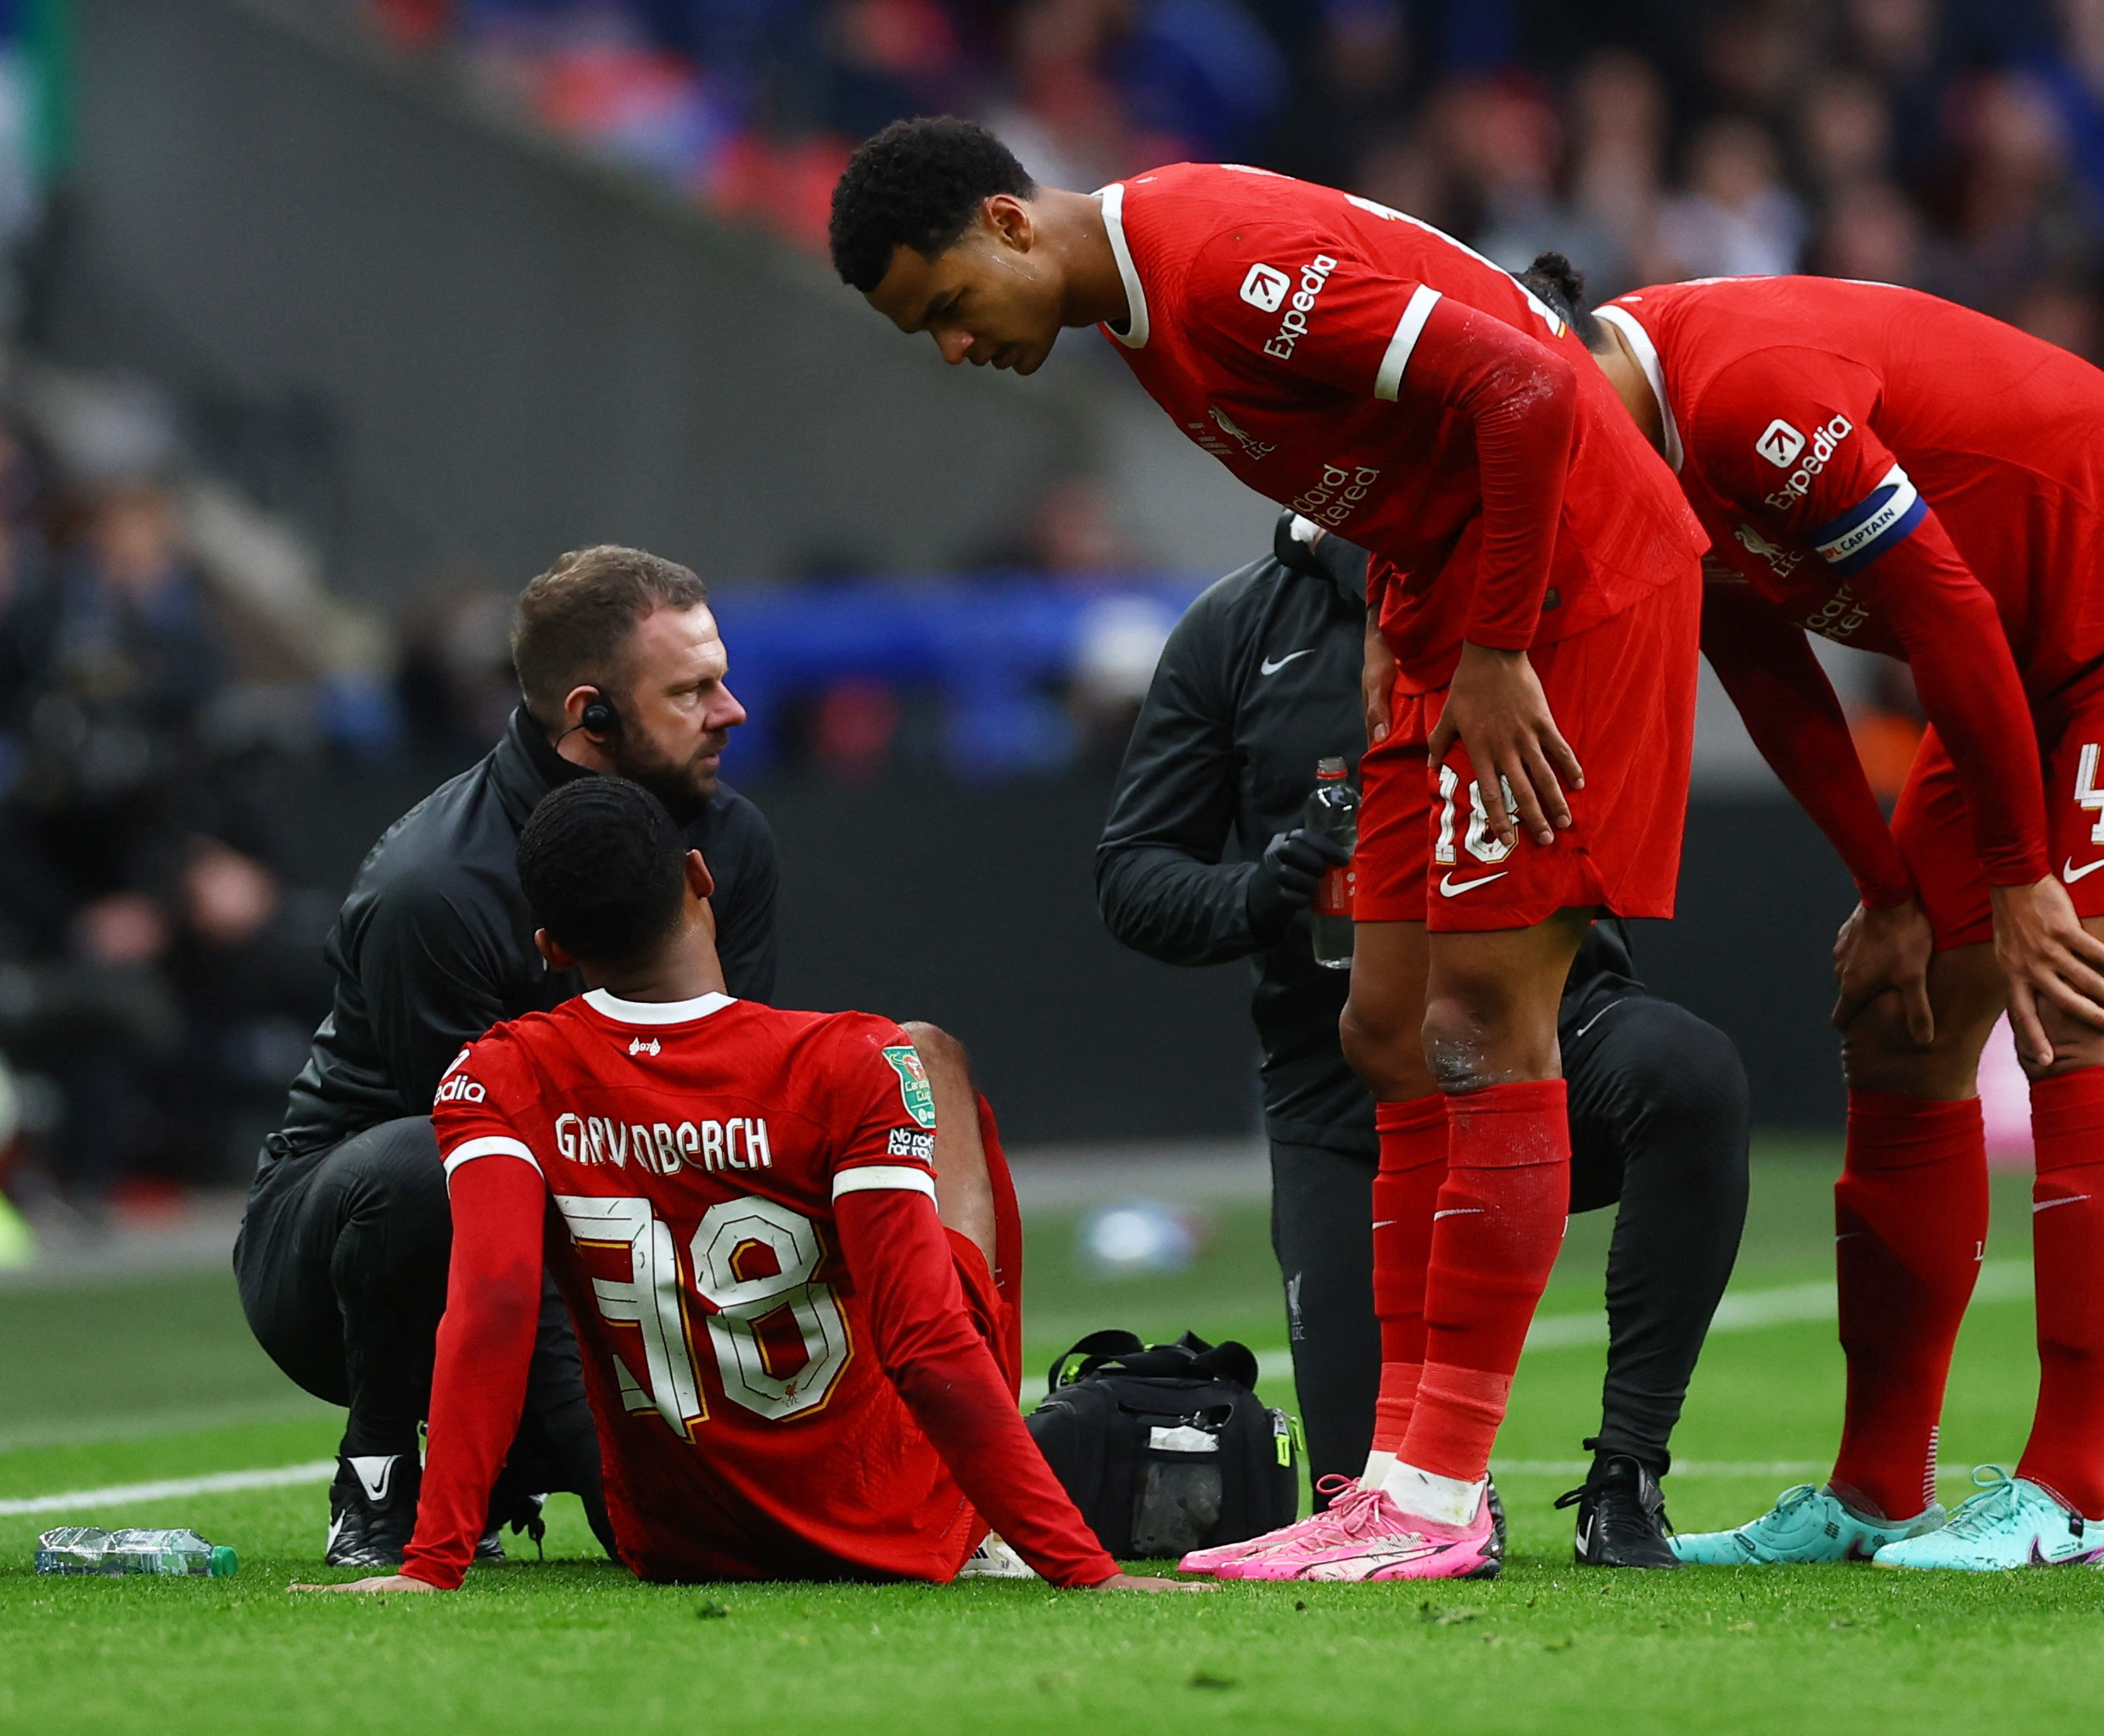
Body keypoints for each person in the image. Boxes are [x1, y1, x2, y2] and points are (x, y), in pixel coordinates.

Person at [829, 118, 1704, 1582]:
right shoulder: (1142, 309)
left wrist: (1487, 643)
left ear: (1009, 221)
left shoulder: (1219, 262)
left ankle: (1435, 1492)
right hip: (1442, 612)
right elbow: (1400, 448)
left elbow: (1529, 382)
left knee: (1489, 1024)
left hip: (1564, 596)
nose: (954, 348)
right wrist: (1405, 631)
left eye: (948, 308)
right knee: (1385, 1027)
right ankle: (1394, 1478)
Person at [1527, 260, 2104, 1571]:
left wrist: (2015, 874)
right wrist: (1884, 890)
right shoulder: (1637, 460)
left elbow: (1937, 604)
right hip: (2016, 658)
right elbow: (1764, 665)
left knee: (2068, 1008)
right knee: (1897, 1031)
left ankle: (2069, 1498)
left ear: (1564, 360)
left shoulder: (1737, 392)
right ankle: (1877, 1485)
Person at [293, 777, 1191, 1595]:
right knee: (930, 1053)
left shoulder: (499, 1073)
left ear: (552, 945)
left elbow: (489, 1306)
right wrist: (1082, 1569)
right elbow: (921, 1337)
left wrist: (431, 1565)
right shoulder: (851, 1057)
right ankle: (995, 1519)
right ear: (699, 876)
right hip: (896, 1525)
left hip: (682, 1538)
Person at [1098, 512, 1751, 1569]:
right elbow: (1131, 878)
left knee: (1685, 1072)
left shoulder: (1539, 593)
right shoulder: (1232, 627)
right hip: (1337, 1082)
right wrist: (1264, 886)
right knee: (1361, 1478)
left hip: (1540, 1029)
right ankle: (1443, 1494)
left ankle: (1626, 1477)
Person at [234, 546, 780, 1566]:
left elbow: (731, 1103)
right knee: (426, 1168)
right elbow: (498, 1196)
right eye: (693, 689)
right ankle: (382, 1470)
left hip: (619, 1225)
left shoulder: (729, 843)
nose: (732, 710)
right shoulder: (432, 889)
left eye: (721, 677)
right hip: (365, 1244)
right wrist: (609, 1452)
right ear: (592, 715)